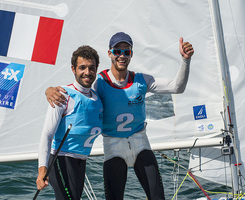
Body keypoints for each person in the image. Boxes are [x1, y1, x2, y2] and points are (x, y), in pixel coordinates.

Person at [45, 32, 194, 200]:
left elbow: (177, 87)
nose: (122, 56)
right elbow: (75, 88)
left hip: (140, 143)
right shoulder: (98, 81)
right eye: (117, 51)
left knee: (157, 197)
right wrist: (49, 90)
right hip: (113, 145)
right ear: (110, 53)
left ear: (131, 54)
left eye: (126, 52)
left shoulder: (141, 80)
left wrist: (185, 60)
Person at [36, 45, 103, 200]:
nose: (87, 72)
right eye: (82, 68)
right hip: (61, 160)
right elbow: (47, 135)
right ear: (73, 69)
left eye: (92, 68)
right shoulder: (62, 95)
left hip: (81, 162)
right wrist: (42, 171)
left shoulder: (98, 99)